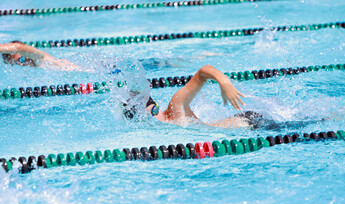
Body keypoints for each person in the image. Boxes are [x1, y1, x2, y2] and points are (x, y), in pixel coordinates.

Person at [1, 41, 255, 128]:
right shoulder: (168, 120)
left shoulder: (175, 109)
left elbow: (203, 72)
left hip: (253, 123)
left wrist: (224, 82)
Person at [0, 41, 80, 71]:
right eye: (16, 63)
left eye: (21, 59)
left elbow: (18, 47)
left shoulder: (40, 59)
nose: (21, 64)